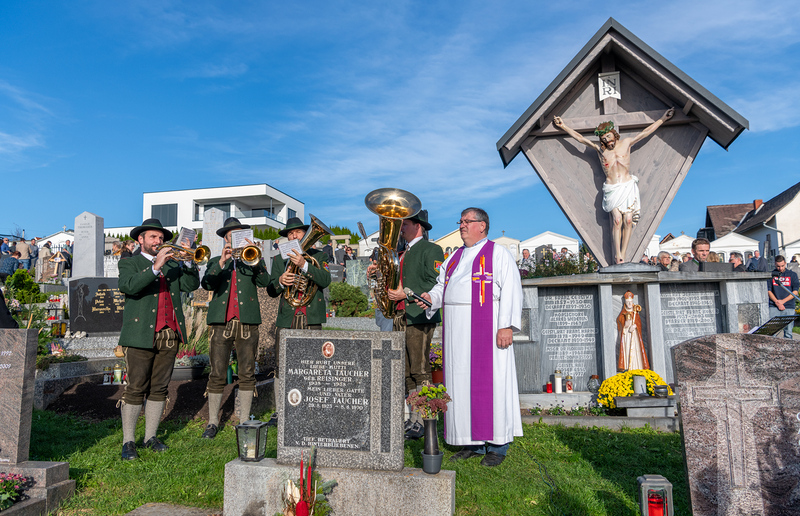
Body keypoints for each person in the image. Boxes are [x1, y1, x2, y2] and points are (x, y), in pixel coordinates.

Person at [417, 208, 523, 467]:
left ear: (482, 226)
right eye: (461, 221)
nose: (462, 226)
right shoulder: (454, 258)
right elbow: (442, 286)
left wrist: (506, 325)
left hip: (487, 331)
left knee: (493, 383)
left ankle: (497, 444)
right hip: (457, 333)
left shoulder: (498, 253)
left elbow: (511, 288)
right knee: (460, 384)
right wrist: (431, 297)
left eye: (467, 221)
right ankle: (471, 442)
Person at [117, 219, 200, 460]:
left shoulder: (173, 266)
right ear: (140, 240)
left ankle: (150, 436)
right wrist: (155, 266)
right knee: (135, 388)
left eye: (161, 238)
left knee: (159, 388)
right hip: (140, 334)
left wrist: (189, 264)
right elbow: (129, 286)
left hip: (169, 334)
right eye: (153, 237)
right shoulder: (129, 262)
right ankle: (128, 441)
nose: (158, 241)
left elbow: (191, 284)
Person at [554, 108, 674, 264]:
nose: (607, 141)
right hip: (612, 187)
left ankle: (623, 252)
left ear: (614, 134)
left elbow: (645, 133)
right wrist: (563, 126)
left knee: (628, 220)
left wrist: (663, 119)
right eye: (604, 139)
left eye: (609, 137)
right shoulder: (600, 150)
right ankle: (618, 255)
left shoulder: (626, 143)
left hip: (627, 185)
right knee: (617, 220)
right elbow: (580, 139)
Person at [200, 217, 271, 439]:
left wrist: (256, 260)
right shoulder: (215, 260)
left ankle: (244, 421)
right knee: (217, 372)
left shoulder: (252, 258)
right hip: (221, 322)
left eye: (240, 234)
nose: (235, 238)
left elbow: (265, 282)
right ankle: (212, 422)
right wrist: (221, 262)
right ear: (225, 239)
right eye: (232, 235)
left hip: (247, 321)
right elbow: (207, 284)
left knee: (247, 373)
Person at [377, 210, 444, 440]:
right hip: (401, 316)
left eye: (404, 224)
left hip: (419, 315)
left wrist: (404, 294)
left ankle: (425, 421)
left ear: (418, 226)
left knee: (420, 370)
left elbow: (433, 283)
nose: (400, 228)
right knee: (406, 372)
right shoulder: (402, 252)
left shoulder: (431, 249)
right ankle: (412, 418)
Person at [267, 217, 331, 425]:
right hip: (288, 318)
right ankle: (279, 409)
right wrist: (279, 281)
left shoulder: (319, 256)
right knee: (281, 365)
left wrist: (304, 265)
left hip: (311, 318)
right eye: (290, 233)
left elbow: (325, 280)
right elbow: (271, 291)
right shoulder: (279, 260)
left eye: (298, 233)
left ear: (305, 234)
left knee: (314, 365)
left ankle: (312, 407)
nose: (294, 236)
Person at [767, 255, 799, 339]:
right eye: (778, 266)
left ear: (785, 263)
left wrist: (783, 301)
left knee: (788, 333)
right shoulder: (771, 275)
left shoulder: (792, 275)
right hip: (774, 306)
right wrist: (777, 302)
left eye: (782, 266)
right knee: (772, 332)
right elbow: (768, 291)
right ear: (775, 264)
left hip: (788, 306)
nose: (780, 268)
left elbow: (795, 291)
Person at [617, 291, 650, 371]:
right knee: (627, 349)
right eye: (627, 302)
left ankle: (637, 366)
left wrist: (635, 326)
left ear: (632, 302)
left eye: (630, 302)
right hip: (627, 336)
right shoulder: (623, 314)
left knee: (636, 350)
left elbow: (639, 324)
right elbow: (620, 324)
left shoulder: (636, 313)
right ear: (625, 303)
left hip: (635, 336)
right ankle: (628, 367)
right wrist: (626, 326)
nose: (629, 304)